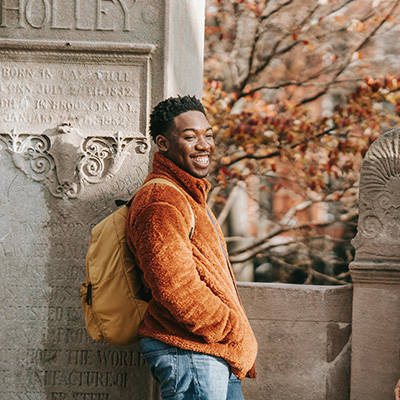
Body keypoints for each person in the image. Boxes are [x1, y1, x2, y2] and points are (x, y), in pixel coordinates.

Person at [126, 95, 258, 400]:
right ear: (163, 144)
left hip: (209, 350)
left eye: (207, 135)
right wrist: (231, 328)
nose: (204, 145)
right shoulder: (162, 200)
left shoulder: (187, 194)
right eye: (190, 137)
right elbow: (175, 286)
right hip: (189, 351)